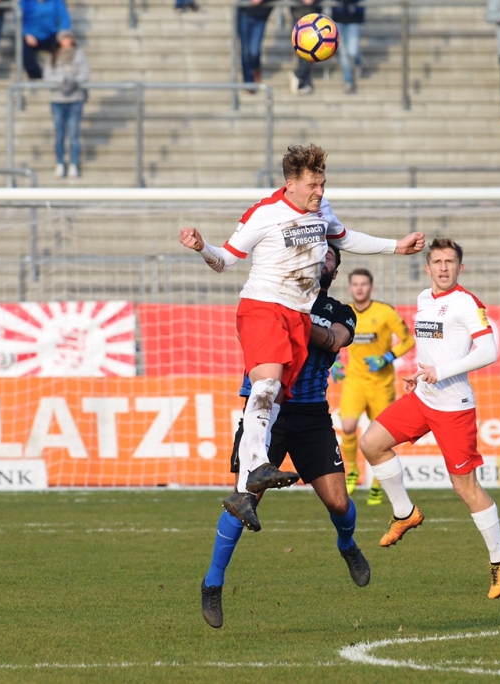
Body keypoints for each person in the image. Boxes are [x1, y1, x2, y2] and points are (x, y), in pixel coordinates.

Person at [178, 143, 424, 532]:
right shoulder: (265, 213)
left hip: (297, 315)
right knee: (267, 384)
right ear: (290, 184)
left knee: (275, 394)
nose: (319, 192)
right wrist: (201, 247)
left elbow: (346, 238)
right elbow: (224, 261)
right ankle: (256, 466)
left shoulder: (321, 210)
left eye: (322, 184)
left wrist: (396, 247)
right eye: (312, 185)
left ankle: (244, 492)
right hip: (262, 307)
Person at [201, 245, 369, 629]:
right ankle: (212, 583)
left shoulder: (340, 311)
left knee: (339, 502)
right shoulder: (270, 296)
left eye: (330, 257)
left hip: (311, 416)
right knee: (243, 501)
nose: (322, 259)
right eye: (318, 253)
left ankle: (347, 545)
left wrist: (295, 320)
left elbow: (334, 340)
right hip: (266, 415)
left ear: (334, 271)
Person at [358, 238, 500, 601]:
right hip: (423, 397)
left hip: (454, 407)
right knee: (372, 443)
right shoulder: (423, 299)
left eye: (450, 262)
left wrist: (440, 372)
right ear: (427, 267)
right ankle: (405, 512)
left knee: (465, 488)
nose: (444, 268)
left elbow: (489, 351)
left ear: (460, 268)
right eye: (438, 262)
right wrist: (420, 374)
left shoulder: (466, 303)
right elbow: (433, 348)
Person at [334, 268, 414, 505]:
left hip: (382, 384)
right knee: (348, 426)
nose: (359, 288)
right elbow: (332, 338)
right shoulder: (344, 312)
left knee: (380, 437)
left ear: (371, 287)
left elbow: (408, 340)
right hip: (355, 381)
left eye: (364, 284)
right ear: (350, 288)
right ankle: (352, 470)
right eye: (355, 284)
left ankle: (378, 483)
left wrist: (387, 358)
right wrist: (334, 361)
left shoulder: (385, 312)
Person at [44, 29, 88, 178]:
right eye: (64, 38)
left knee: (74, 134)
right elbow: (47, 76)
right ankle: (60, 163)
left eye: (69, 38)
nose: (66, 41)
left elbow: (84, 74)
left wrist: (73, 81)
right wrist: (61, 80)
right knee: (59, 134)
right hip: (57, 99)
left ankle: (74, 164)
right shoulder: (53, 56)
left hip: (75, 99)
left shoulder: (79, 55)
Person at [21, 0, 71, 80]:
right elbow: (19, 19)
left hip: (50, 35)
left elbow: (64, 17)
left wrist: (62, 34)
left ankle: (58, 74)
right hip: (31, 36)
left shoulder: (56, 1)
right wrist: (27, 34)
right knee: (22, 46)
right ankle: (35, 76)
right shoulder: (26, 1)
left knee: (64, 42)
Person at [237, 0, 275, 88]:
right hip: (245, 13)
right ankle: (248, 83)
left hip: (260, 16)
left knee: (254, 51)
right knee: (245, 51)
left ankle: (256, 68)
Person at [333, 0, 365, 94]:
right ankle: (348, 81)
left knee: (352, 51)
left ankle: (358, 62)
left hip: (354, 17)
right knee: (343, 52)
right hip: (339, 17)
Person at [290, 0, 319, 95]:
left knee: (312, 50)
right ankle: (301, 79)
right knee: (304, 50)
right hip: (299, 16)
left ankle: (301, 78)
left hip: (314, 18)